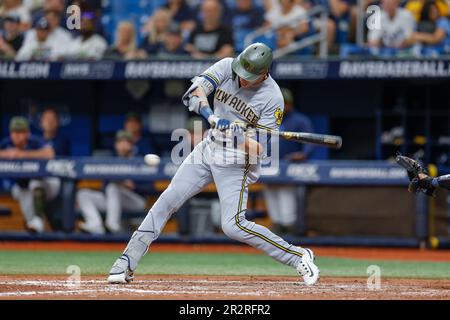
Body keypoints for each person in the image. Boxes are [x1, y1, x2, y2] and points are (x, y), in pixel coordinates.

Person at [107, 43, 320, 286]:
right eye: (241, 72)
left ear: (265, 73)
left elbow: (260, 149)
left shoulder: (273, 99)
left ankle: (298, 255)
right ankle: (127, 260)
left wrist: (238, 136)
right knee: (168, 199)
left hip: (237, 162)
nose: (241, 78)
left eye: (249, 76)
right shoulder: (228, 66)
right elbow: (194, 93)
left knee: (233, 226)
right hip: (207, 150)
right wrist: (212, 117)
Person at [263, 88, 314, 235]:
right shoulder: (268, 120)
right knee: (271, 197)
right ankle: (277, 226)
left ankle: (290, 229)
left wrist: (303, 154)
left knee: (286, 199)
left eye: (284, 104)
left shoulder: (300, 120)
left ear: (290, 104)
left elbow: (309, 143)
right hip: (269, 166)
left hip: (289, 167)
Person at [76, 130, 147, 234]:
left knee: (113, 188)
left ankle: (112, 225)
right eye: (119, 142)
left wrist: (134, 186)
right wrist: (121, 182)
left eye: (125, 141)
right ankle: (95, 224)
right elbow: (104, 186)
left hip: (136, 201)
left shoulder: (139, 160)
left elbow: (150, 186)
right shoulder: (112, 161)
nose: (122, 145)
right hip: (114, 199)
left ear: (131, 144)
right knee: (83, 194)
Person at [0, 117, 57, 233]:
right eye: (15, 132)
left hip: (48, 182)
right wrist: (6, 154)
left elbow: (50, 153)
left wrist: (23, 154)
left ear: (27, 133)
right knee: (32, 223)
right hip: (23, 187)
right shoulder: (7, 144)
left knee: (35, 184)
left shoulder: (35, 141)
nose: (18, 136)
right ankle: (36, 228)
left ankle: (37, 220)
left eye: (21, 132)